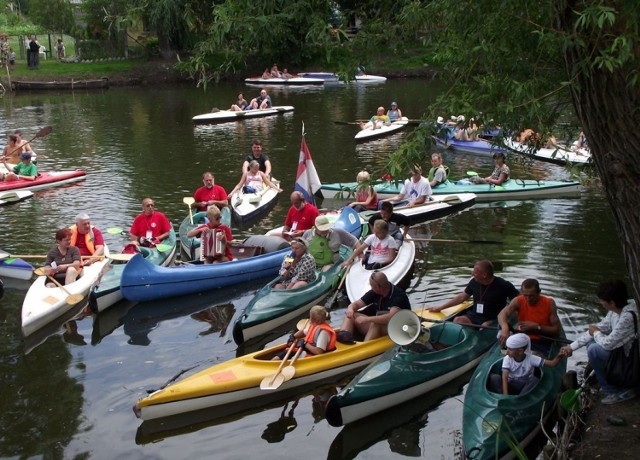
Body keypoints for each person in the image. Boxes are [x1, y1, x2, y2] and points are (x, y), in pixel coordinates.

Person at [559, 280, 639, 405]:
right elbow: (597, 329)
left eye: (602, 300)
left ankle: (613, 392)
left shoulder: (627, 317)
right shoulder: (616, 310)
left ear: (612, 302)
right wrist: (571, 347)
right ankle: (616, 384)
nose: (601, 303)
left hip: (631, 359)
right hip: (622, 353)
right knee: (592, 344)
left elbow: (607, 343)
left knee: (594, 349)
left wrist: (596, 333)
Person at [429, 259, 519, 326]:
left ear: (484, 275)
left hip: (493, 318)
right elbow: (462, 297)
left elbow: (518, 301)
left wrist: (506, 319)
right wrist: (440, 307)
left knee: (484, 326)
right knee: (458, 320)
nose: (472, 274)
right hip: (475, 316)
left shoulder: (503, 285)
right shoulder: (474, 282)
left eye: (475, 272)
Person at [340, 271, 411, 341]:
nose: (371, 287)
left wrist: (367, 319)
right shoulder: (374, 292)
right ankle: (344, 335)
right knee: (351, 314)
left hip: (398, 328)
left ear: (377, 287)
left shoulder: (398, 296)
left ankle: (365, 347)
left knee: (376, 324)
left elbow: (391, 317)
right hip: (381, 326)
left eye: (371, 285)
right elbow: (357, 304)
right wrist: (350, 309)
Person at [497, 278, 562, 355]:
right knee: (502, 327)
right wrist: (505, 328)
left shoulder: (549, 303)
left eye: (531, 296)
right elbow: (502, 314)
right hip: (522, 337)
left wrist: (537, 327)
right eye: (525, 295)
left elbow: (556, 330)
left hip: (541, 340)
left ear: (539, 292)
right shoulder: (518, 300)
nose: (528, 299)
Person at [489, 333, 563, 395]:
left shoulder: (531, 359)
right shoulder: (507, 358)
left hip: (524, 386)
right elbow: (505, 376)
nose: (507, 352)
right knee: (494, 378)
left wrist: (559, 355)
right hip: (510, 384)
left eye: (510, 349)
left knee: (534, 379)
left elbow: (552, 364)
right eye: (507, 348)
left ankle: (521, 398)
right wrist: (505, 394)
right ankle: (501, 396)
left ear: (520, 351)